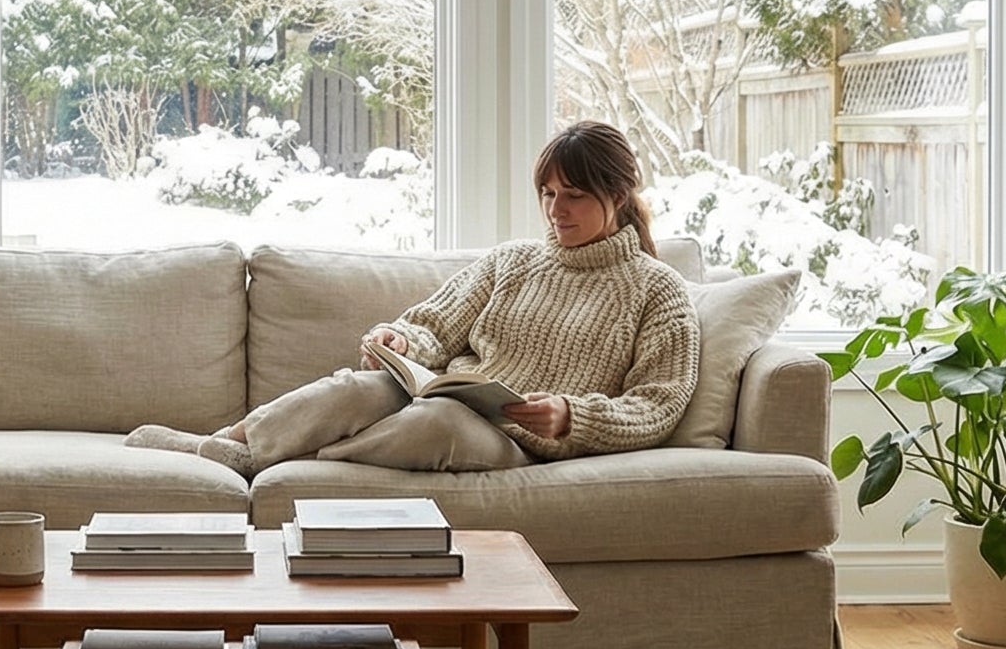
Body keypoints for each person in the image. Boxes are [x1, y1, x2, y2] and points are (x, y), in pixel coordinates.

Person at [126, 120, 700, 475]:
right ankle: (225, 445)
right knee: (355, 387)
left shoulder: (658, 290)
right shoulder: (515, 260)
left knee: (436, 425)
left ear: (619, 194)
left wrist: (574, 415)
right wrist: (401, 339)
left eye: (573, 195)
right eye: (547, 194)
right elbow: (435, 324)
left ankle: (284, 464)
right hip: (448, 397)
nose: (555, 211)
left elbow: (658, 403)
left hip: (520, 442)